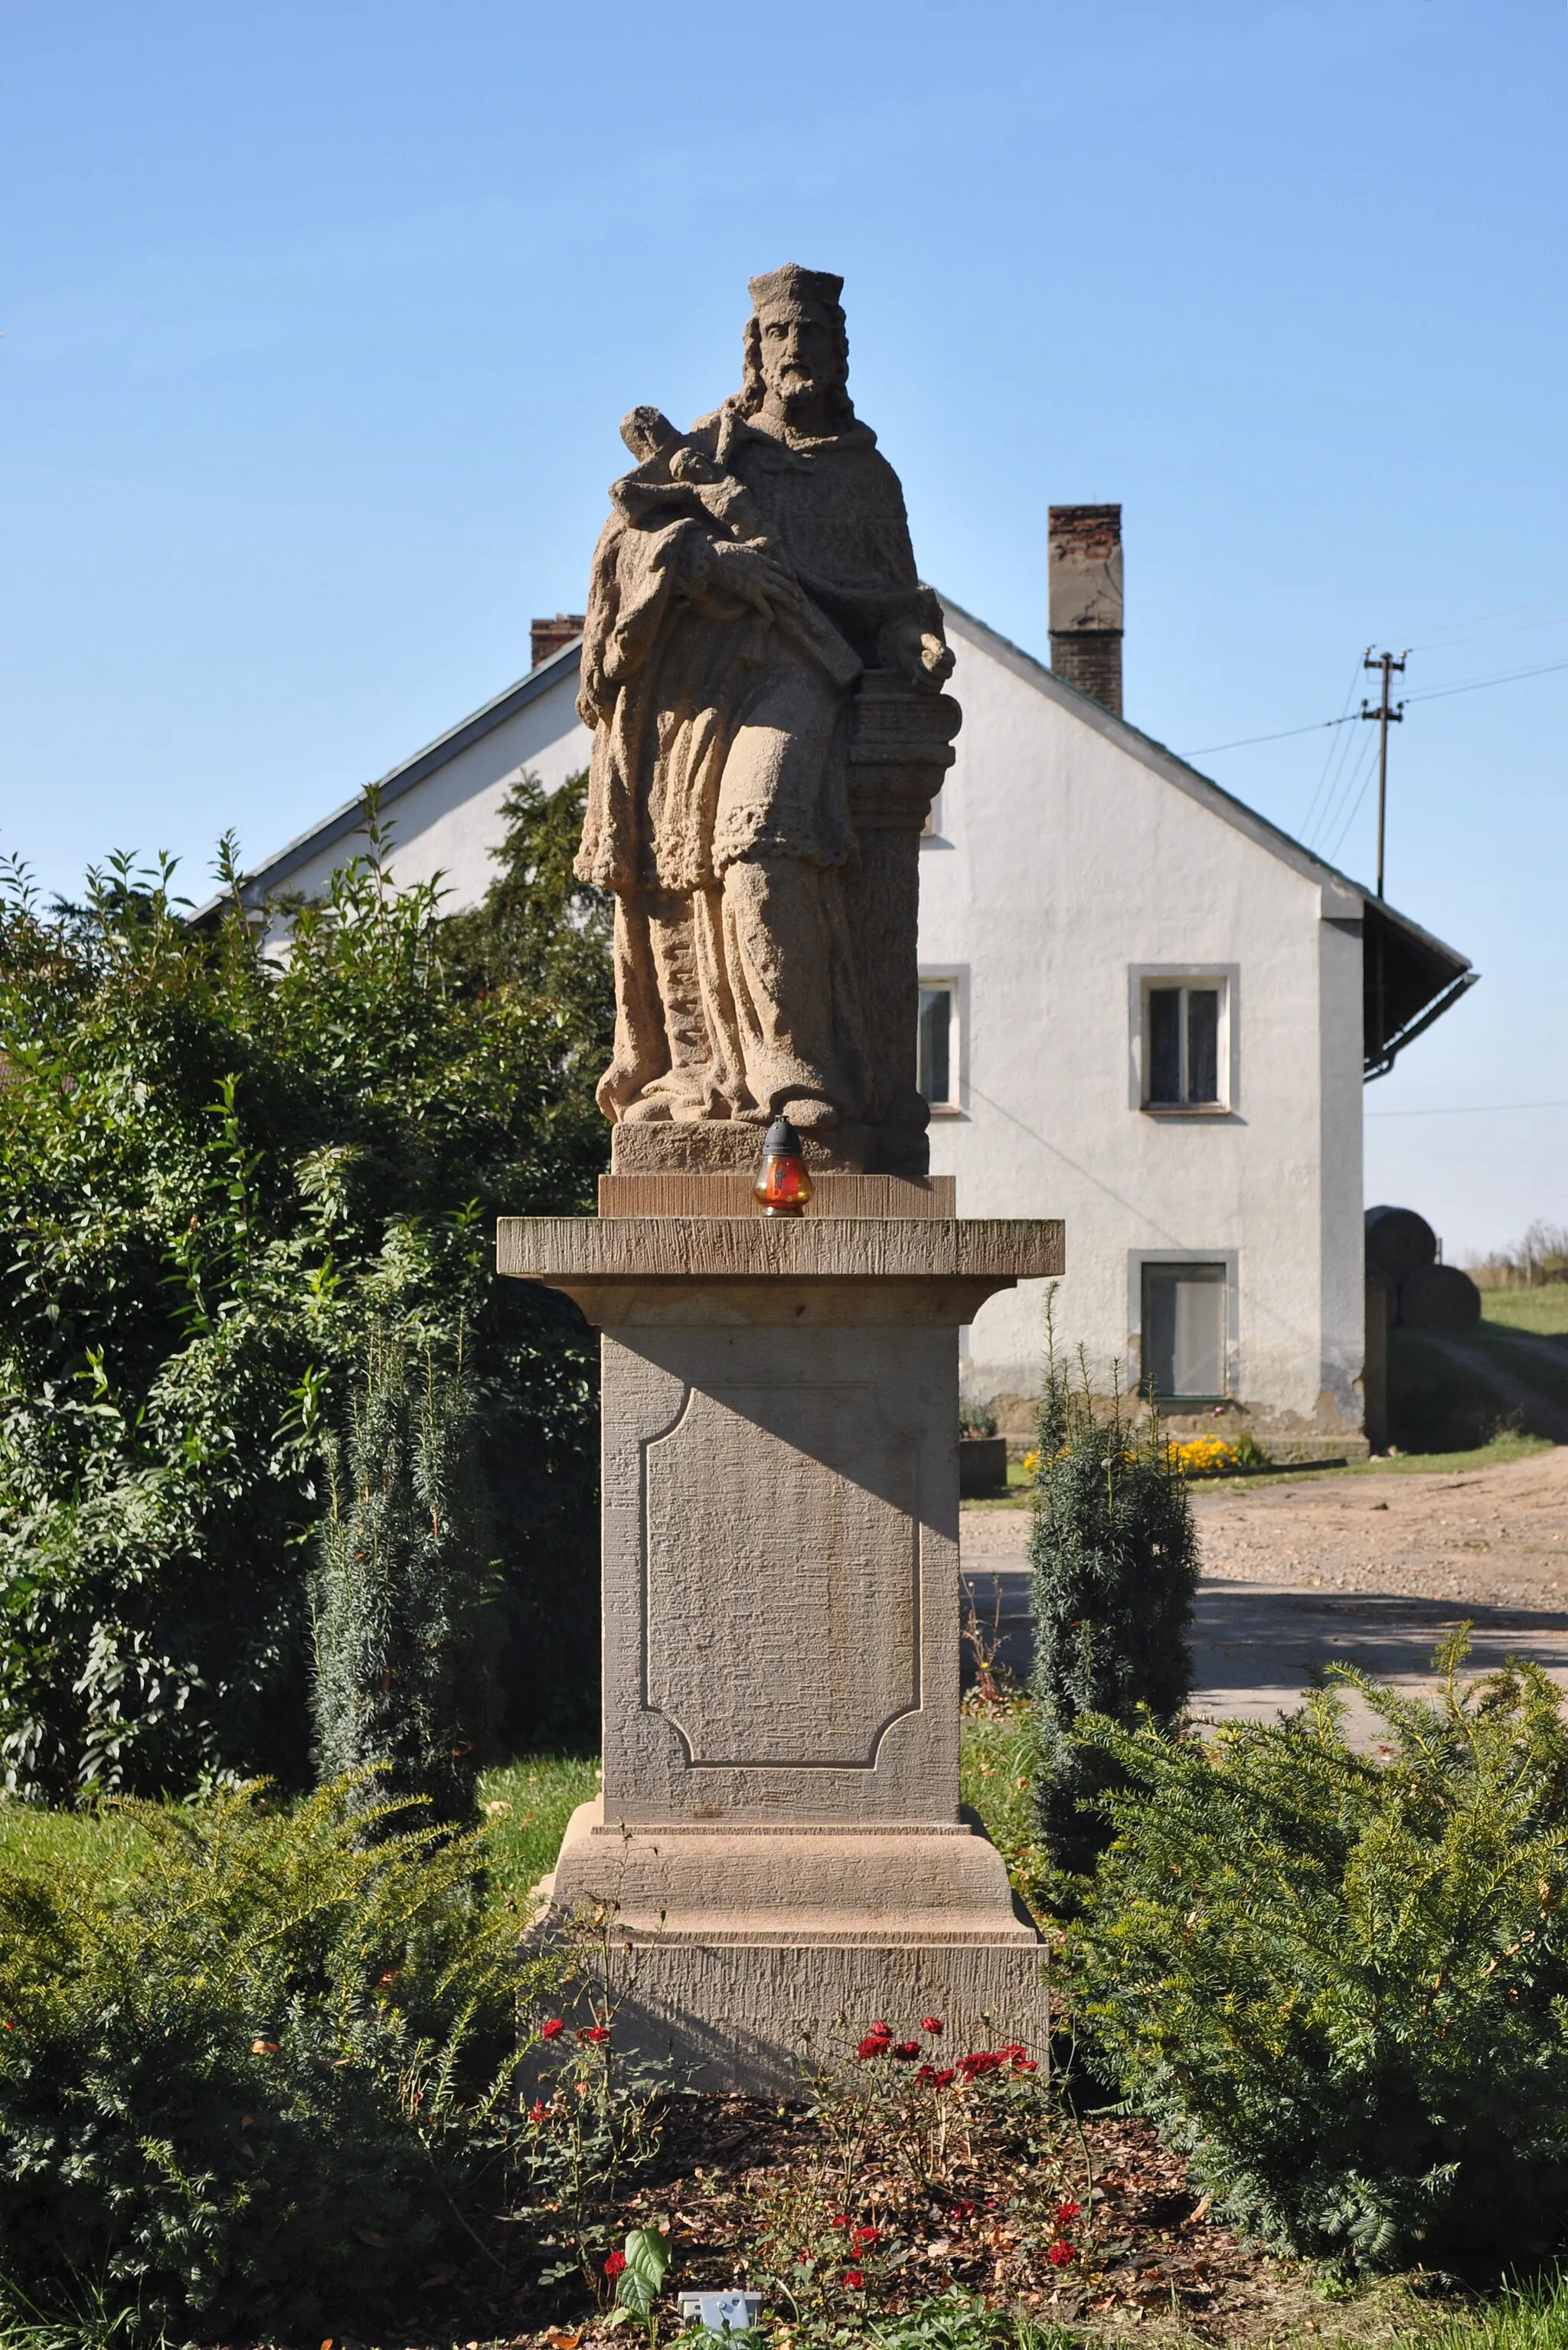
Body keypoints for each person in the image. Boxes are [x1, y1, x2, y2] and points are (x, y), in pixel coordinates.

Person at [575, 264, 952, 1142]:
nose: (795, 350)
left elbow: (887, 600)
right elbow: (626, 541)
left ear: (838, 348)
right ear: (754, 349)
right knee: (683, 869)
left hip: (800, 675)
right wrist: (704, 564)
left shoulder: (866, 478)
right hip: (696, 687)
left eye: (812, 332)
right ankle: (702, 1064)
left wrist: (913, 642)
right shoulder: (711, 449)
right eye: (779, 334)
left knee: (757, 841)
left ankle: (793, 1071)